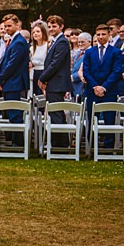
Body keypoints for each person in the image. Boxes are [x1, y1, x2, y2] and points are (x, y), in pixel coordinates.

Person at [82, 24, 124, 148]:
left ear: (109, 35)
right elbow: (86, 71)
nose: (101, 37)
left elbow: (116, 71)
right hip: (92, 90)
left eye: (103, 34)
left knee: (109, 119)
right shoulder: (90, 52)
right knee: (91, 118)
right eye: (98, 35)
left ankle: (108, 147)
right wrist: (95, 86)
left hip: (109, 90)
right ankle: (91, 146)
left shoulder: (116, 52)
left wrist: (104, 87)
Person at [38, 15, 74, 148]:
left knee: (57, 114)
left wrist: (42, 78)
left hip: (57, 83)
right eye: (50, 26)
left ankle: (61, 145)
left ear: (61, 27)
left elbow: (55, 64)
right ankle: (57, 143)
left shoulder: (63, 42)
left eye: (54, 26)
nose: (51, 29)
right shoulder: (55, 41)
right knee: (54, 114)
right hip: (53, 83)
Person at [0, 13, 31, 145]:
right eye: (5, 26)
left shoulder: (19, 42)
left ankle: (18, 143)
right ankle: (14, 141)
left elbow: (12, 64)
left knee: (15, 113)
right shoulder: (14, 40)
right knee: (11, 113)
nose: (6, 29)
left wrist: (1, 79)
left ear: (18, 25)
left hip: (14, 82)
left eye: (9, 26)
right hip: (11, 82)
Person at [29, 20, 49, 94]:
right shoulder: (32, 48)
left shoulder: (48, 46)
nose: (35, 34)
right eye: (33, 32)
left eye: (38, 31)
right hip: (35, 73)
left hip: (44, 73)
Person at [71, 32, 91, 100]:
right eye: (79, 42)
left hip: (83, 86)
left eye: (82, 42)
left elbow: (87, 69)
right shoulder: (79, 53)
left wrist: (73, 77)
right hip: (75, 87)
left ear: (89, 42)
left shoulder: (91, 53)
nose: (80, 44)